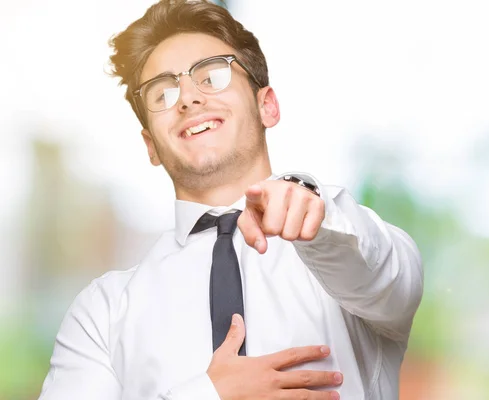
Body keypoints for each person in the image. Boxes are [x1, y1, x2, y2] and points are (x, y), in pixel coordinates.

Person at [37, 1, 424, 399]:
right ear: (151, 145)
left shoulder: (348, 241)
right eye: (163, 92)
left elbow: (386, 273)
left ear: (266, 106)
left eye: (212, 75)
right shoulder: (103, 312)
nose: (188, 98)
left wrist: (309, 203)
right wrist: (208, 394)